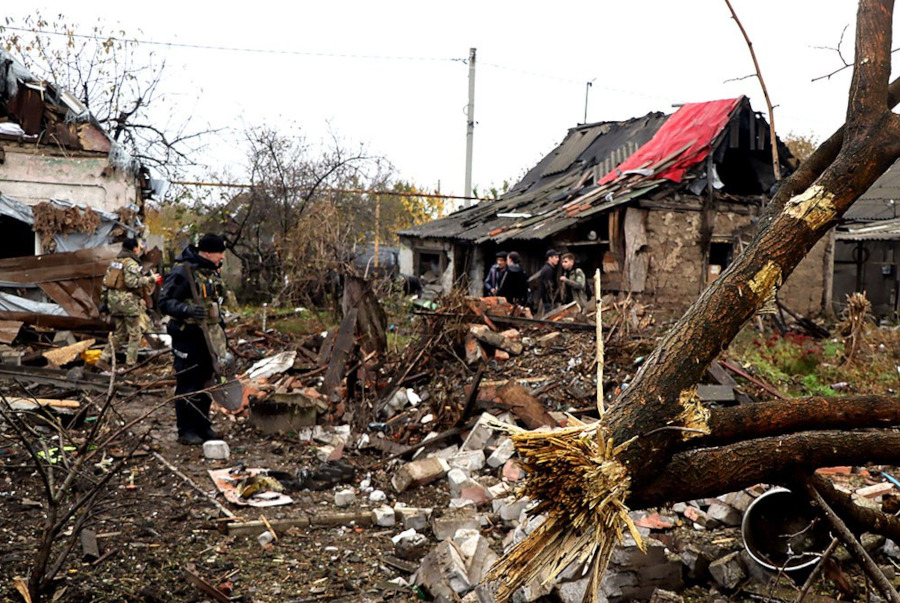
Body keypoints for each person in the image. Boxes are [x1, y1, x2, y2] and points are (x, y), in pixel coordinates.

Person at [159, 234, 229, 445]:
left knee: (206, 382)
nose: (222, 257)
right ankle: (186, 430)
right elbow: (164, 302)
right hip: (187, 336)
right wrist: (186, 309)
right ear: (207, 253)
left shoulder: (210, 272)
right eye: (219, 253)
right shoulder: (183, 271)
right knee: (188, 382)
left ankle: (203, 426)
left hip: (208, 337)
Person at [99, 237, 159, 368]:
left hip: (114, 302)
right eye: (139, 247)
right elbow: (131, 283)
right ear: (134, 249)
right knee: (135, 334)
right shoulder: (131, 264)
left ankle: (103, 359)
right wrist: (150, 279)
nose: (140, 249)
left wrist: (104, 301)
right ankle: (130, 364)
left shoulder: (114, 263)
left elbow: (105, 284)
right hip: (127, 303)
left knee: (120, 334)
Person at [536, 249, 560, 315]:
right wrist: (552, 300)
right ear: (550, 258)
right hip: (549, 301)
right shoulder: (548, 270)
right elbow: (548, 287)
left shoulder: (548, 268)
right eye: (556, 257)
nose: (558, 259)